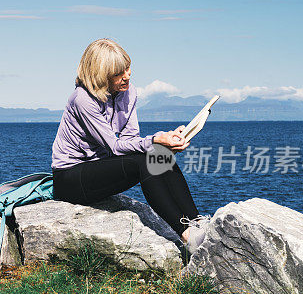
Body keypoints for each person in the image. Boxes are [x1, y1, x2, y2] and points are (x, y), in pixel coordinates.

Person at [51, 38, 209, 259]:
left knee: (159, 155)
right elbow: (115, 147)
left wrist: (166, 142)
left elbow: (130, 139)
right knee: (147, 158)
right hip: (70, 177)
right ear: (100, 75)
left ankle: (196, 222)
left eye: (127, 68)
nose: (127, 75)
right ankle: (186, 235)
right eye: (118, 73)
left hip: (99, 166)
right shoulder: (82, 99)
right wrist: (156, 139)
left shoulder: (129, 92)